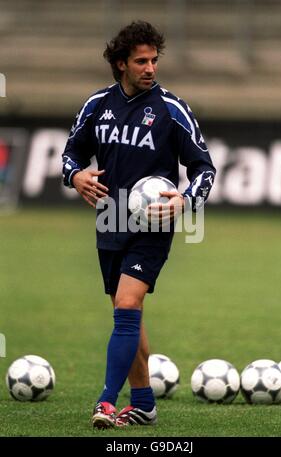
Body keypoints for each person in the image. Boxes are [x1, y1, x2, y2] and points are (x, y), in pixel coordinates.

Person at [62, 21, 216, 429]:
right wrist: (76, 176)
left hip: (151, 227)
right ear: (121, 64)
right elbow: (70, 154)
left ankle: (107, 401)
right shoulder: (97, 105)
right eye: (141, 61)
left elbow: (204, 168)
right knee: (126, 315)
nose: (150, 68)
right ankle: (145, 403)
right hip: (110, 222)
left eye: (154, 60)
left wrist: (184, 200)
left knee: (128, 305)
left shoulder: (170, 109)